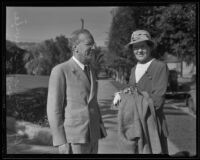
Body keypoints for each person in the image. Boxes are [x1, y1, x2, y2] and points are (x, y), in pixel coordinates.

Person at [47, 29, 107, 154]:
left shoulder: (91, 71)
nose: (94, 47)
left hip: (93, 136)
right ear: (76, 47)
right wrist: (61, 141)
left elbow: (92, 102)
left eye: (94, 44)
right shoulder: (61, 70)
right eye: (89, 44)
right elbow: (53, 109)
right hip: (74, 139)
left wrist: (99, 127)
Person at [113, 30, 169, 154]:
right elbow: (132, 91)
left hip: (153, 124)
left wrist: (131, 100)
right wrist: (122, 94)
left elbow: (158, 101)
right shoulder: (134, 69)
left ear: (149, 47)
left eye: (143, 46)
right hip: (136, 125)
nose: (139, 50)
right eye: (135, 47)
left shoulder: (160, 67)